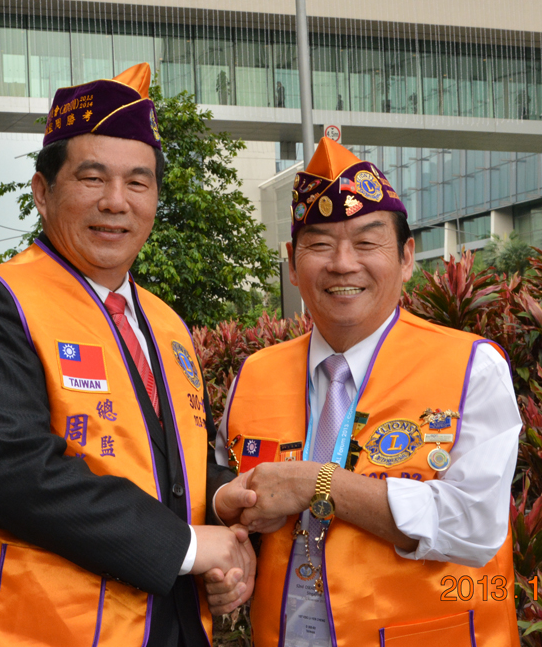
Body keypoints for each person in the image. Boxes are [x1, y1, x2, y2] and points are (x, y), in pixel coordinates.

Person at [0, 64, 258, 647]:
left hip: (170, 627)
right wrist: (187, 546)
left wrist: (223, 502)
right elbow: (15, 473)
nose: (115, 202)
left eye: (138, 182)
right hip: (35, 632)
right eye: (92, 178)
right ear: (42, 191)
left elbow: (166, 461)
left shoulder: (168, 324)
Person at [210, 138, 523, 646]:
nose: (342, 263)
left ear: (406, 257)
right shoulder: (254, 374)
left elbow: (475, 525)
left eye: (366, 242)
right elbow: (224, 489)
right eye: (319, 244)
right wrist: (228, 530)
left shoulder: (471, 366)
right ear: (292, 263)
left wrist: (319, 483)